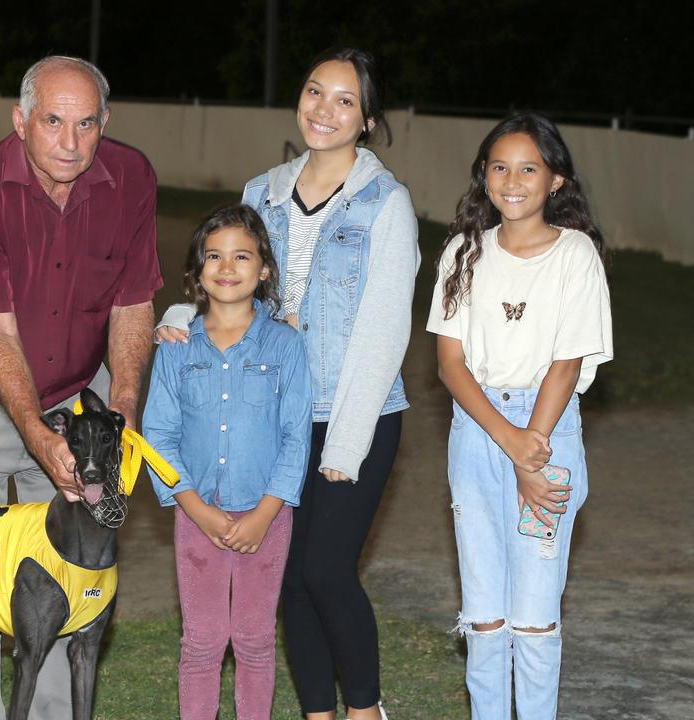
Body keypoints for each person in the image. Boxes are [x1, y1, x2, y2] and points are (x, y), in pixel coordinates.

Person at [157, 47, 418, 720]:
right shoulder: (261, 191)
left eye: (344, 100)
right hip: (276, 415)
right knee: (291, 582)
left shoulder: (386, 204)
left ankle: (363, 710)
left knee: (326, 571)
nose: (323, 110)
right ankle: (316, 713)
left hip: (353, 414)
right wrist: (184, 315)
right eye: (313, 91)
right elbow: (236, 282)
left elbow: (386, 332)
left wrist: (344, 446)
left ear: (367, 119)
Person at [0, 55, 161, 720]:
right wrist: (36, 434)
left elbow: (134, 306)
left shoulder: (132, 178)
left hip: (81, 391)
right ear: (21, 120)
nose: (71, 143)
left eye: (86, 124)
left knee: (69, 569)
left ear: (105, 124)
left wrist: (124, 410)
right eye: (53, 121)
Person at [427, 113, 612, 719]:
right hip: (479, 433)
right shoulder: (462, 253)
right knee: (485, 614)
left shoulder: (576, 255)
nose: (512, 180)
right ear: (483, 177)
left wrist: (532, 449)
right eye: (499, 167)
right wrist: (510, 443)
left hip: (547, 431)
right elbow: (451, 363)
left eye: (529, 167)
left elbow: (566, 360)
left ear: (555, 180)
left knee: (533, 616)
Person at [143, 204, 311, 719]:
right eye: (213, 256)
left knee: (256, 640)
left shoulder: (285, 345)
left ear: (264, 270)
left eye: (242, 256)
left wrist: (263, 514)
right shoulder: (176, 348)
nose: (227, 266)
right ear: (196, 271)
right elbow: (158, 435)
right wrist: (196, 508)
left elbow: (296, 437)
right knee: (202, 640)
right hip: (197, 515)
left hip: (268, 514)